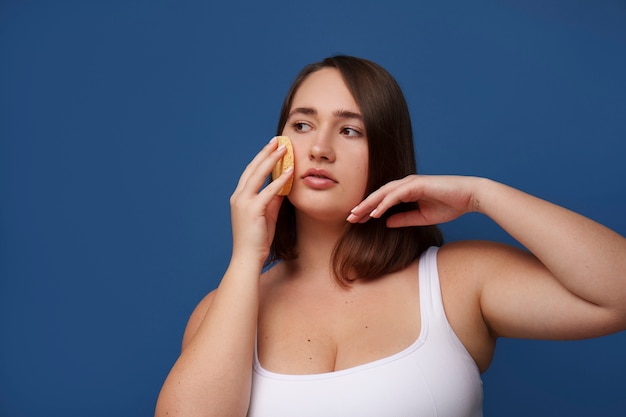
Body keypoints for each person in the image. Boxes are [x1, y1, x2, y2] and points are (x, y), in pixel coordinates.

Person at [154, 55, 626, 417]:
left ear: (385, 153)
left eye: (351, 130)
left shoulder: (456, 282)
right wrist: (245, 259)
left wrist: (483, 195)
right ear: (277, 147)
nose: (320, 148)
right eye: (303, 124)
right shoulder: (226, 308)